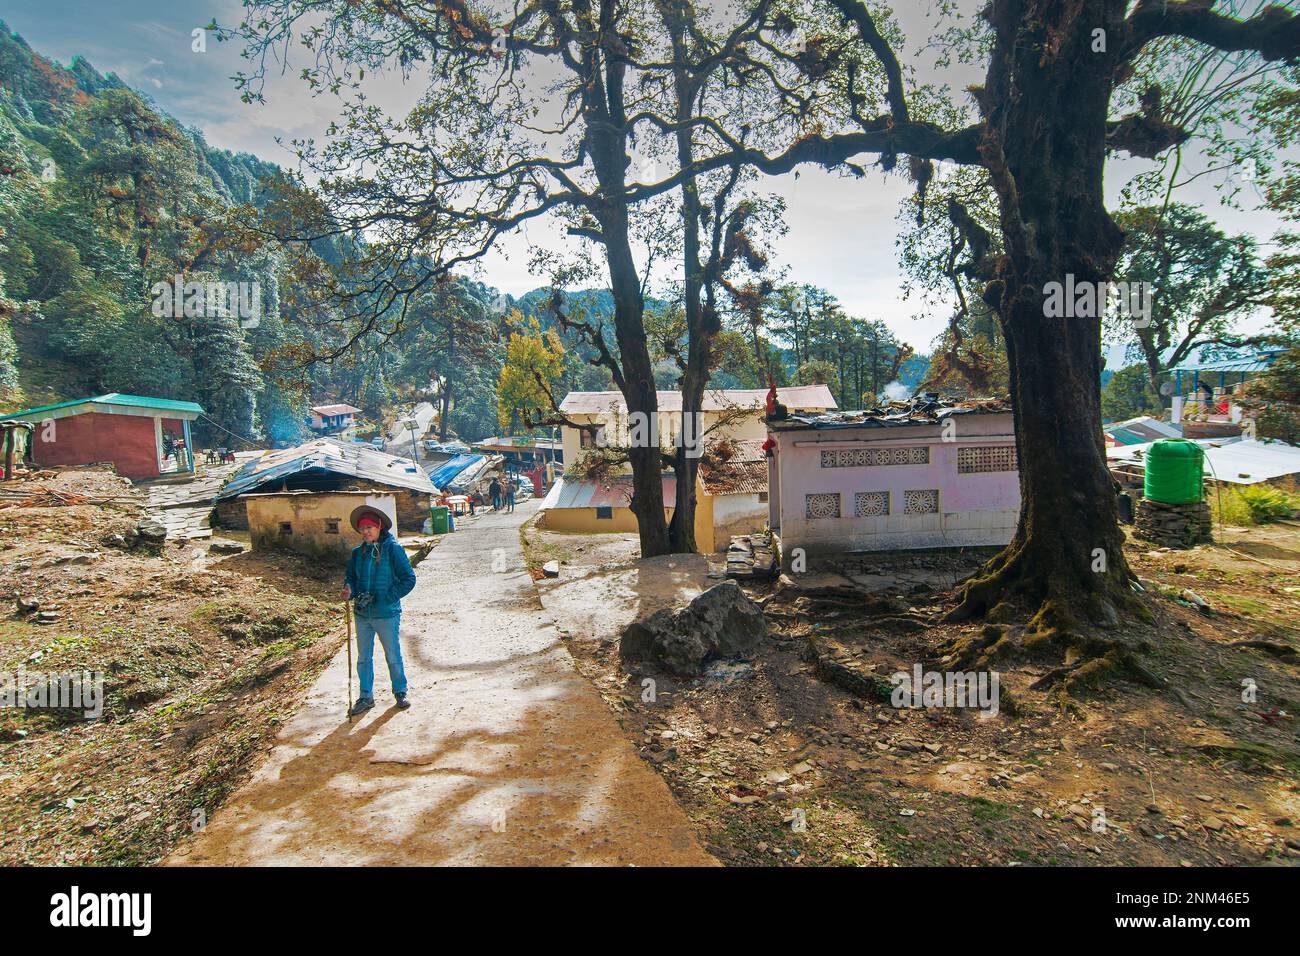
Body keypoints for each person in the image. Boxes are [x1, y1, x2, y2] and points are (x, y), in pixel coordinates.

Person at [342, 505, 416, 715]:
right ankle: (366, 696)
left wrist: (388, 597)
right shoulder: (358, 554)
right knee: (363, 657)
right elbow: (351, 578)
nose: (365, 532)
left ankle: (400, 692)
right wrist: (349, 589)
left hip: (386, 613)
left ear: (379, 527)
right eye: (362, 528)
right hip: (362, 614)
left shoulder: (393, 550)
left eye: (369, 528)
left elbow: (408, 579)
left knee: (392, 654)